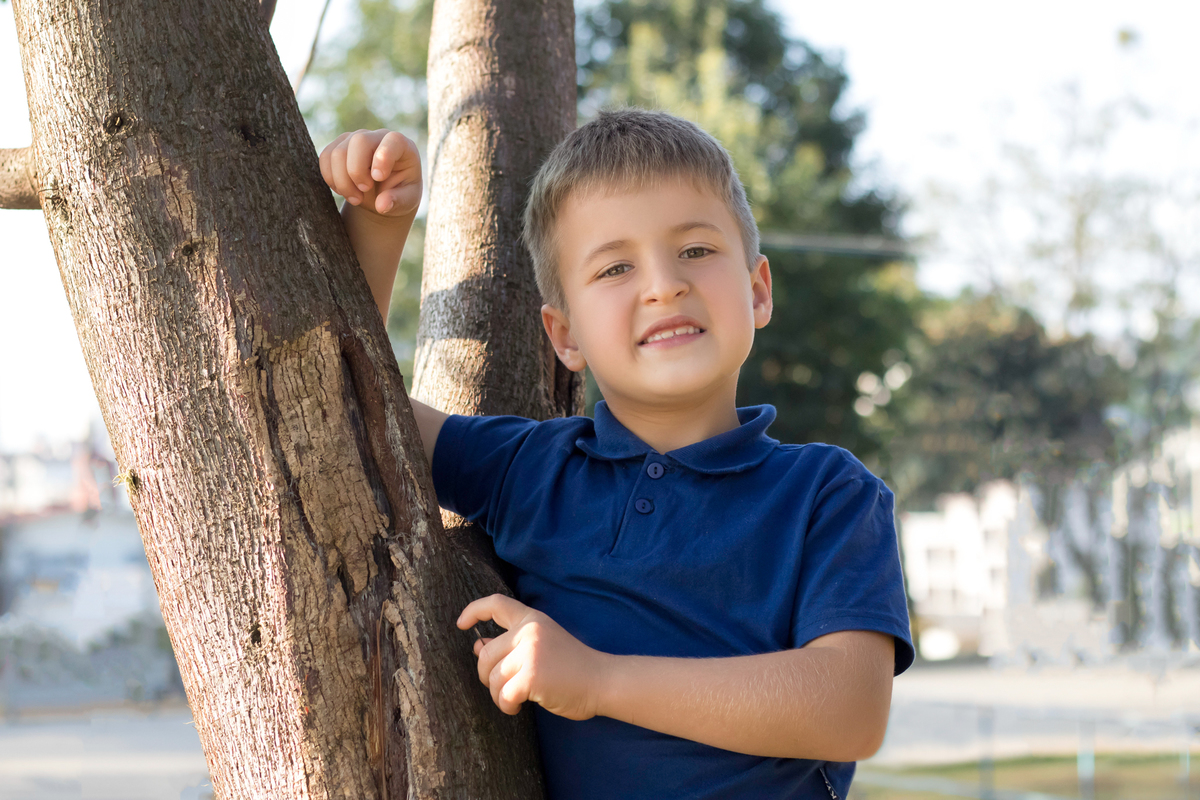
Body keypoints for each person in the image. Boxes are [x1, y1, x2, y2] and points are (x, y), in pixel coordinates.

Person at [319, 108, 914, 800]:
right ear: (564, 335)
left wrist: (595, 679)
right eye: (616, 267)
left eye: (696, 250)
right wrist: (379, 223)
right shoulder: (530, 468)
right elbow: (348, 410)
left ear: (756, 291)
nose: (664, 284)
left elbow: (849, 712)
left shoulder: (825, 493)